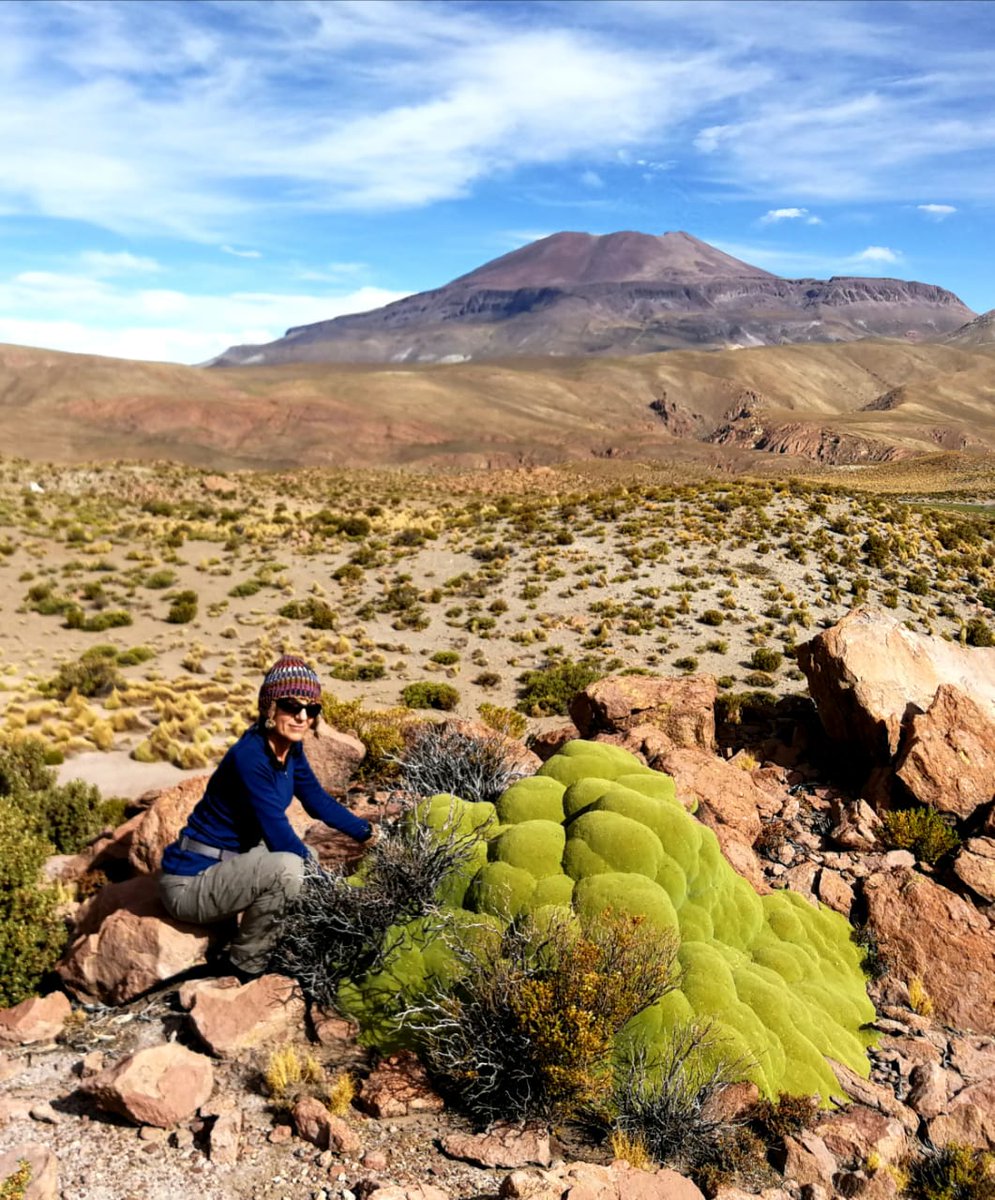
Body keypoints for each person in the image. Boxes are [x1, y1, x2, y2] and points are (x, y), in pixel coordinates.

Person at [159, 655, 375, 981]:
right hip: (190, 882)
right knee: (289, 868)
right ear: (270, 708)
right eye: (292, 706)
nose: (302, 716)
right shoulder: (250, 757)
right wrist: (333, 889)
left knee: (307, 858)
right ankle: (244, 966)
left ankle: (284, 937)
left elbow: (316, 801)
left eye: (311, 709)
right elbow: (278, 835)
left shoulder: (289, 748)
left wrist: (367, 833)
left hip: (229, 863)